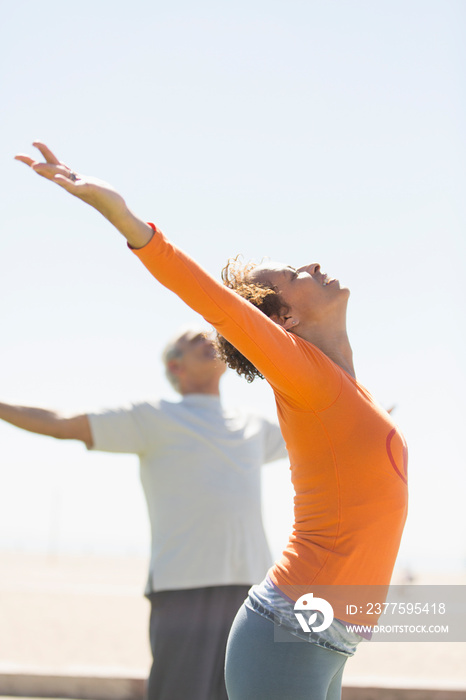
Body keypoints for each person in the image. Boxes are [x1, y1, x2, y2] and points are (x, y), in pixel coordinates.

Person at [15, 142, 408, 700]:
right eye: (294, 273)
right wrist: (123, 218)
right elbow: (215, 302)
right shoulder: (305, 378)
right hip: (290, 626)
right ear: (283, 318)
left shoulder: (346, 387)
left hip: (329, 633)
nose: (313, 265)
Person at [0, 325, 288, 700]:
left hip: (252, 589)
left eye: (209, 336)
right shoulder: (152, 418)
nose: (208, 340)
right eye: (192, 340)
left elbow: (318, 436)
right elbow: (62, 423)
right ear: (175, 366)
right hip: (182, 587)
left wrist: (366, 415)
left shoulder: (255, 425)